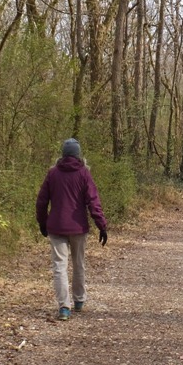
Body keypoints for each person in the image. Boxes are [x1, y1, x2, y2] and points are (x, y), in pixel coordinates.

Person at [36, 138, 108, 321]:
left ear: (63, 154)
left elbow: (41, 202)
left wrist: (42, 223)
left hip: (56, 227)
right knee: (78, 264)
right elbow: (93, 201)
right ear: (78, 154)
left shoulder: (52, 174)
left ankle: (64, 307)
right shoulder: (84, 173)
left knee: (59, 267)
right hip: (78, 227)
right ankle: (79, 301)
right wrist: (101, 225)